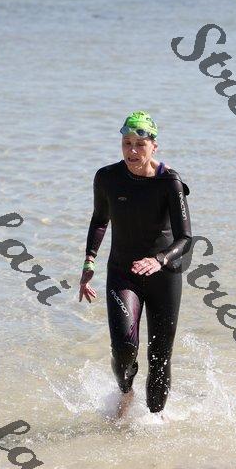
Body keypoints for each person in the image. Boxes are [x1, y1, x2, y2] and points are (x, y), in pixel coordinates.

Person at [79, 111, 192, 421]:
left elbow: (185, 239)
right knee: (124, 348)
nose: (132, 151)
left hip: (164, 276)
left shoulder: (169, 182)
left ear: (153, 146)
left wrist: (159, 260)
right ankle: (126, 392)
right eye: (126, 143)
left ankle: (155, 420)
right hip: (122, 273)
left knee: (160, 356)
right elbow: (99, 220)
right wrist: (89, 262)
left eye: (139, 144)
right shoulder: (107, 178)